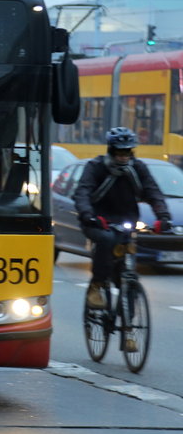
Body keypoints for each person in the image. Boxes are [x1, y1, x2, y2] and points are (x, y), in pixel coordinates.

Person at [73, 127, 172, 310]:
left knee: (126, 263)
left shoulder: (138, 169)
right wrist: (88, 215)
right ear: (110, 150)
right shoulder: (95, 167)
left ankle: (129, 318)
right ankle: (98, 285)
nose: (124, 156)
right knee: (107, 239)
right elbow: (82, 193)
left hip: (126, 220)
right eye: (119, 152)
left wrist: (163, 217)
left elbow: (153, 192)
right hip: (97, 220)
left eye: (127, 152)